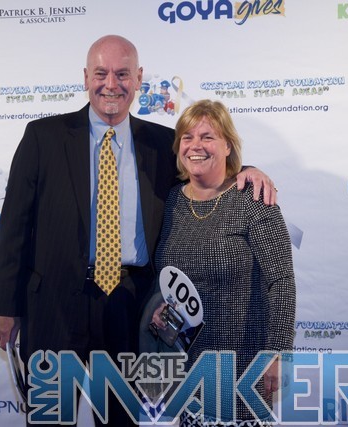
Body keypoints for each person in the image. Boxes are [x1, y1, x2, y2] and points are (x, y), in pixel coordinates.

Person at [0, 35, 277, 426]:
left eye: (122, 74)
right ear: (85, 77)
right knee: (50, 421)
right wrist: (6, 307)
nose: (111, 84)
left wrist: (246, 171)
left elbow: (204, 169)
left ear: (139, 78)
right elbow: (13, 228)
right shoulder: (43, 137)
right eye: (101, 73)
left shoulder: (162, 143)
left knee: (121, 421)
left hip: (132, 309)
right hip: (54, 308)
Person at [150, 99, 296, 426]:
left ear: (228, 145)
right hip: (186, 370)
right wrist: (157, 308)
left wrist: (278, 353)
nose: (196, 146)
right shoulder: (170, 200)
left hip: (242, 368)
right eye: (187, 137)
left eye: (208, 137)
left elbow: (282, 281)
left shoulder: (252, 198)